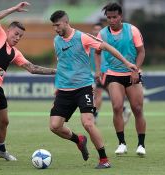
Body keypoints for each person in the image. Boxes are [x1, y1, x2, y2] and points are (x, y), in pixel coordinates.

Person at [49, 10, 137, 169]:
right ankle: (79, 140)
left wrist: (126, 63)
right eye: (53, 26)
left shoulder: (82, 37)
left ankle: (104, 159)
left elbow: (107, 47)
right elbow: (62, 64)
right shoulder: (56, 40)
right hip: (64, 90)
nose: (55, 28)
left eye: (57, 25)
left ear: (66, 22)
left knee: (88, 123)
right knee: (55, 126)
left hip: (83, 87)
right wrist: (58, 85)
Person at [0, 2, 56, 161]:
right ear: (8, 31)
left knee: (4, 121)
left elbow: (32, 68)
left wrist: (56, 72)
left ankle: (1, 150)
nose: (18, 38)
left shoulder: (14, 53)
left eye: (20, 36)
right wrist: (14, 9)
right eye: (16, 34)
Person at [95, 2, 146, 156]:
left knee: (137, 109)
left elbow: (141, 52)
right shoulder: (102, 34)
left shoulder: (132, 30)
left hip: (132, 74)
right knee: (117, 107)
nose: (112, 20)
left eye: (114, 17)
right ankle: (122, 143)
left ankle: (141, 145)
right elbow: (97, 52)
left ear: (121, 16)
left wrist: (135, 70)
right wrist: (98, 70)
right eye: (109, 17)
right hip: (113, 75)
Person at [89, 22, 132, 125]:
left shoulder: (104, 43)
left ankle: (95, 116)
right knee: (110, 94)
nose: (96, 31)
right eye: (94, 29)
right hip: (99, 72)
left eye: (98, 30)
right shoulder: (90, 43)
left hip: (104, 71)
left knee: (98, 93)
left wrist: (100, 71)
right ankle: (125, 109)